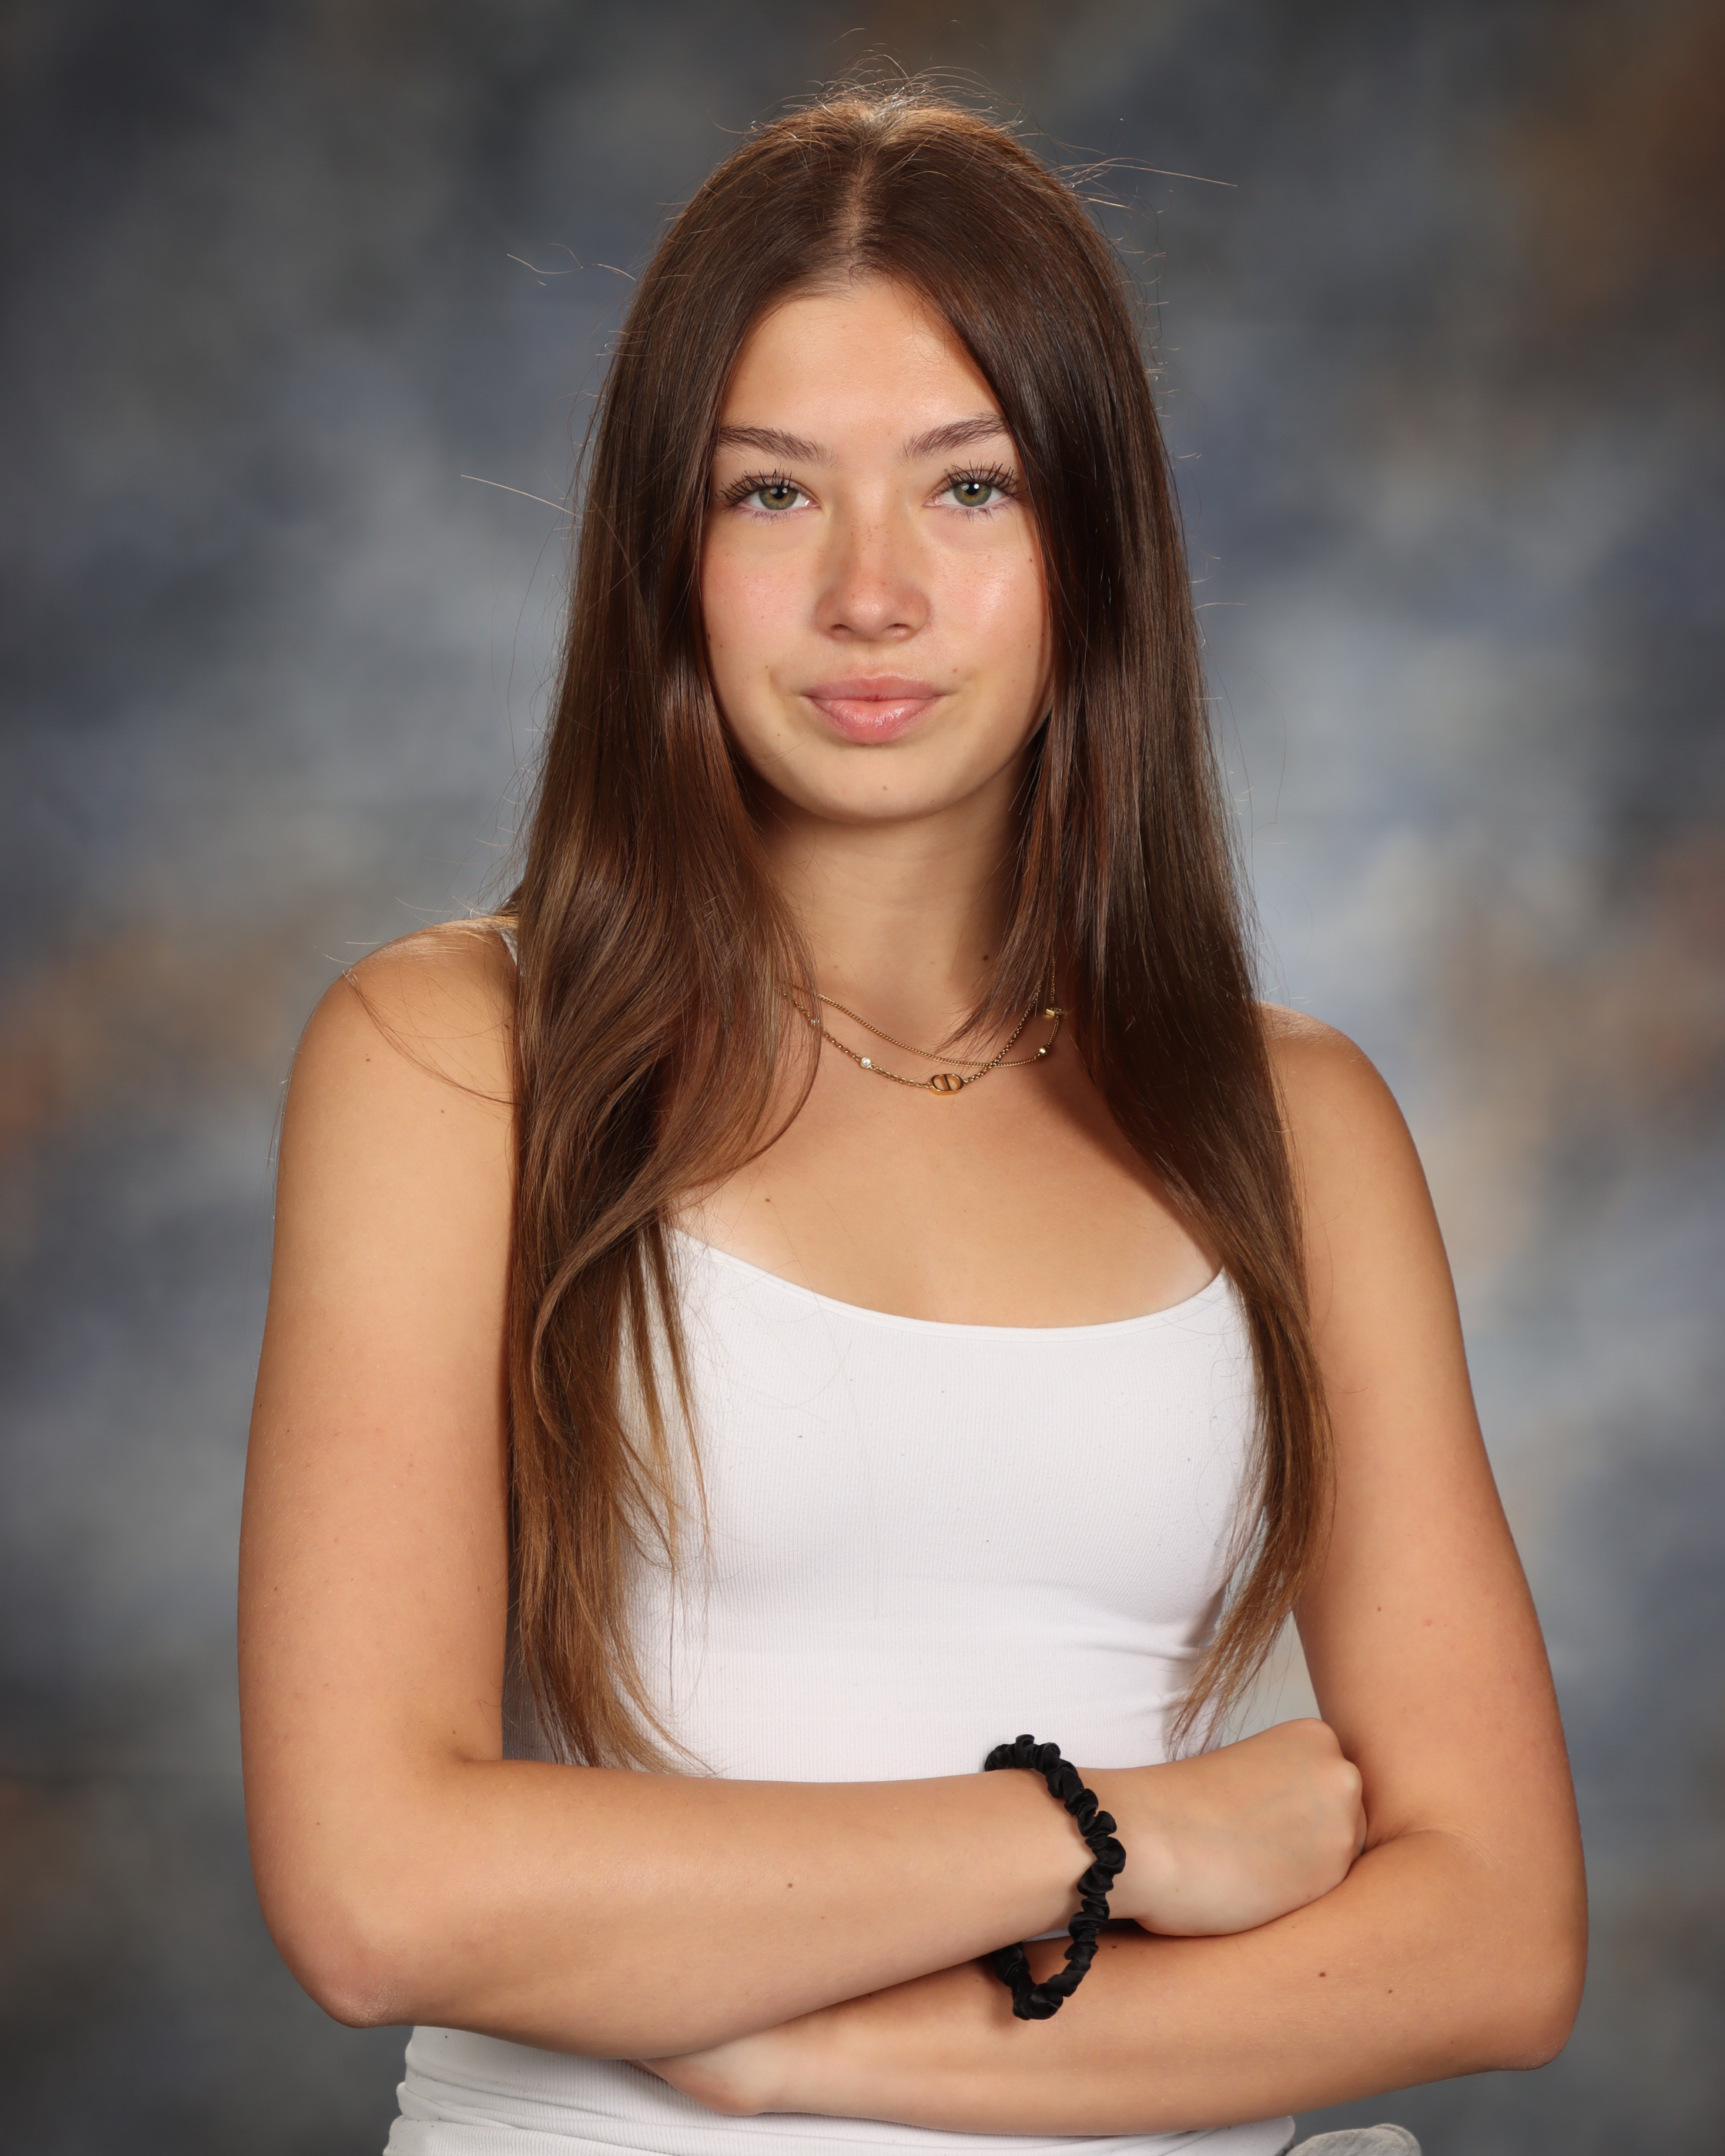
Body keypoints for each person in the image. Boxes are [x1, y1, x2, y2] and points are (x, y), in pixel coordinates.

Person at [238, 82, 1586, 2156]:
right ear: (665, 552)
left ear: (1091, 548)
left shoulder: (1295, 1122)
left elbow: (1495, 1940)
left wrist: (830, 2053)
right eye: (772, 494)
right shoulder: (451, 1060)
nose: (872, 593)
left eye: (970, 488)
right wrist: (1107, 1829)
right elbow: (376, 1892)